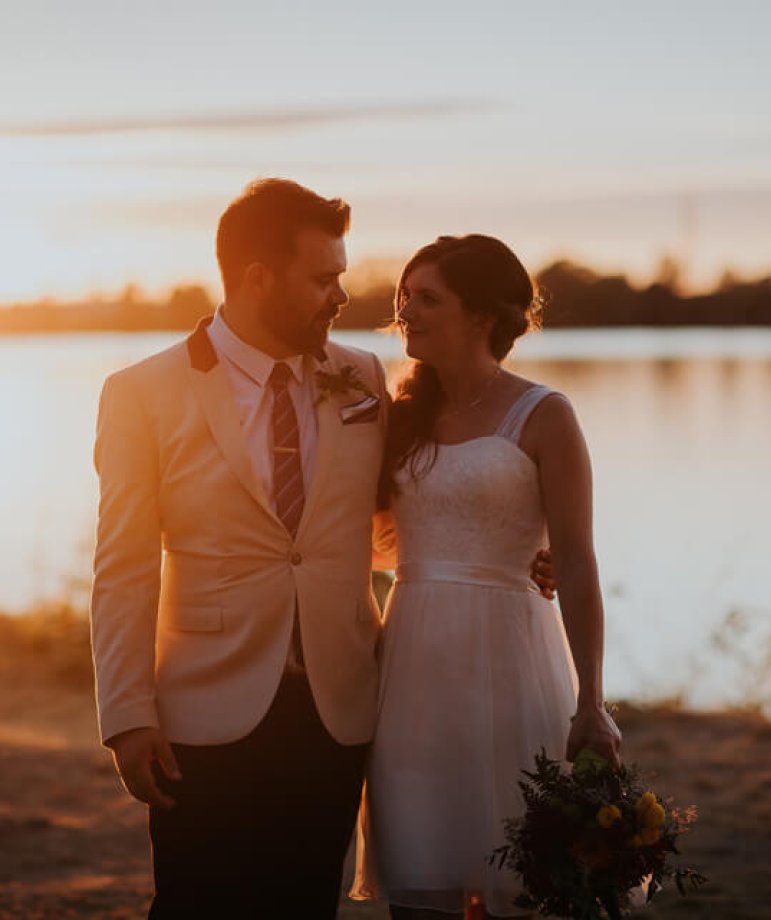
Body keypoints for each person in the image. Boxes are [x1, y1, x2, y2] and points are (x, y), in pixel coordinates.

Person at [90, 178, 390, 918]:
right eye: (324, 279)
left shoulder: (363, 377)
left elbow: (403, 512)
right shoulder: (142, 392)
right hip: (204, 718)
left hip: (336, 709)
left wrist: (514, 557)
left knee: (306, 903)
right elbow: (123, 565)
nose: (341, 296)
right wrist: (127, 716)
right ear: (258, 278)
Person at [351, 234, 621, 919]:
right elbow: (377, 543)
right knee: (420, 878)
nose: (405, 310)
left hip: (512, 655)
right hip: (411, 666)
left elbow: (580, 559)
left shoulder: (546, 414)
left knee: (526, 882)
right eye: (403, 297)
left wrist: (592, 699)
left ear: (483, 316)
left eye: (427, 298)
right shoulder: (396, 415)